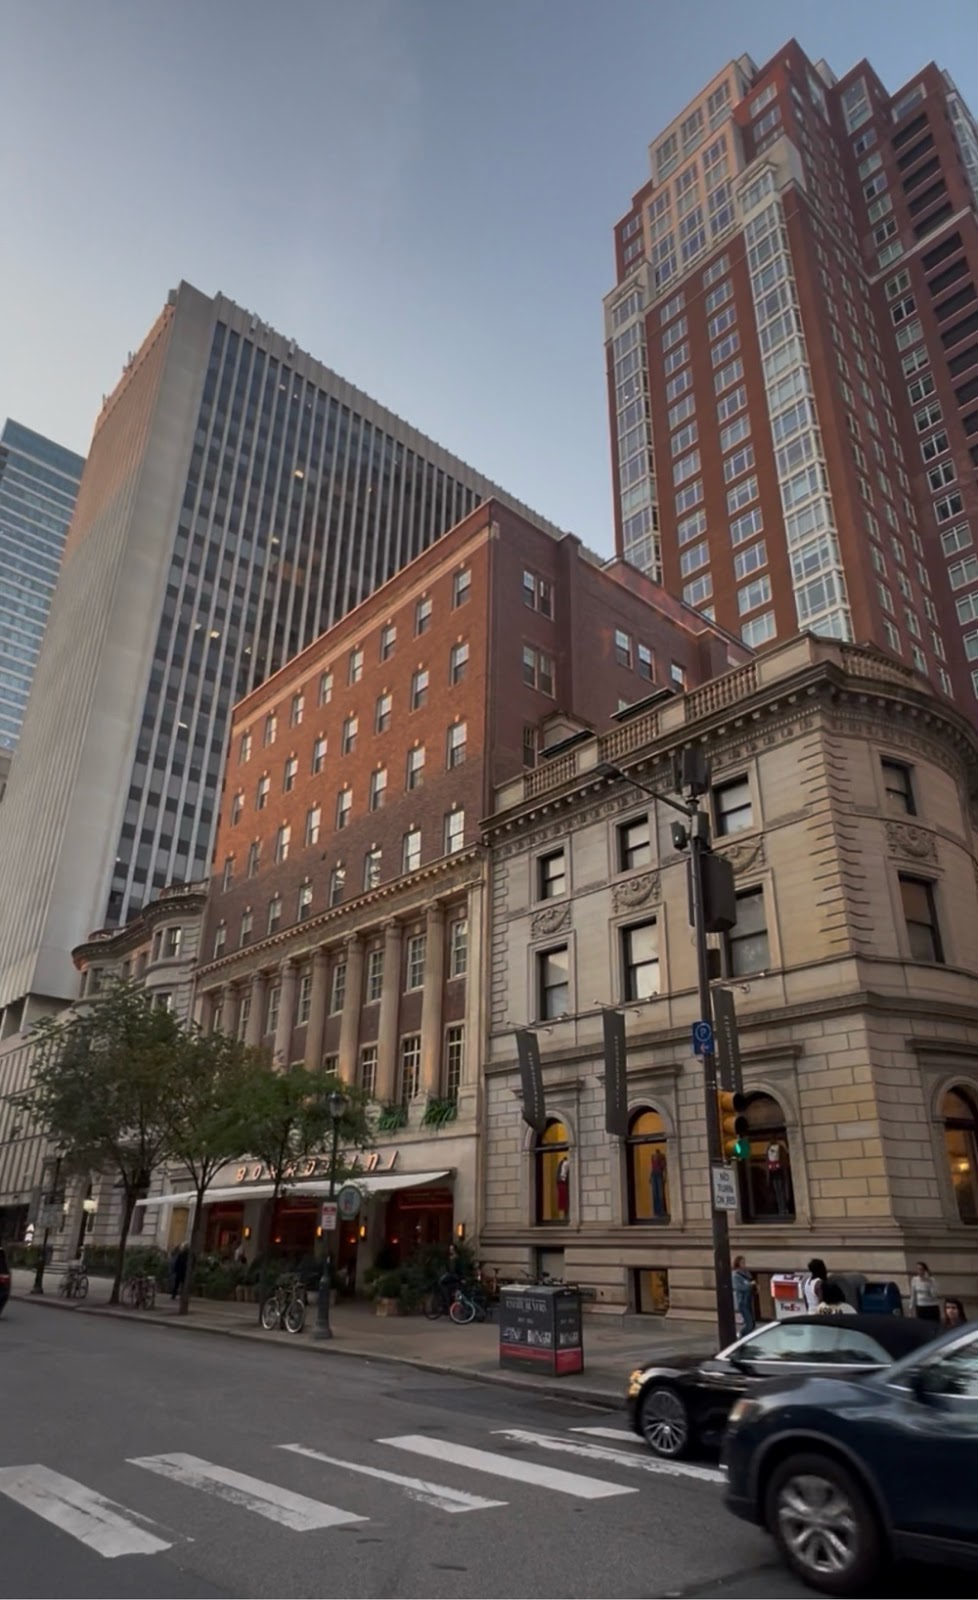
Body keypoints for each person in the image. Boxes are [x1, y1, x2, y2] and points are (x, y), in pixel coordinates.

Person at [732, 1256, 754, 1335]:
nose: (744, 1264)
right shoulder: (736, 1275)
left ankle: (746, 1336)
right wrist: (749, 1285)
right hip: (742, 1302)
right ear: (738, 1264)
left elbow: (751, 1280)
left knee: (752, 1324)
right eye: (742, 1263)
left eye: (744, 1262)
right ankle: (741, 1335)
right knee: (749, 1325)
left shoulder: (746, 1273)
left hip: (749, 1300)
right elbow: (739, 1287)